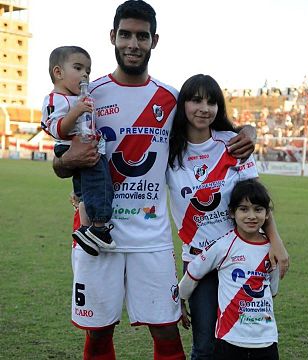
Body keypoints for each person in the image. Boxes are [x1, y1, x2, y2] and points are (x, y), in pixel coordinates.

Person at [52, 1, 282, 359]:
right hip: (98, 235)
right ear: (112, 37)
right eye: (125, 34)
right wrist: (68, 160)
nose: (133, 43)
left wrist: (248, 130)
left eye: (141, 36)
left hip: (152, 238)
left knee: (166, 330)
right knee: (98, 333)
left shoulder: (171, 99)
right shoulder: (88, 95)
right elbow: (60, 162)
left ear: (154, 41)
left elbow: (216, 127)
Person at [166, 74, 288, 359]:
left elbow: (257, 200)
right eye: (196, 100)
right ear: (183, 104)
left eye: (211, 102)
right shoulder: (169, 150)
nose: (204, 108)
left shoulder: (233, 144)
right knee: (205, 346)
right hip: (199, 260)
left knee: (242, 342)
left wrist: (276, 243)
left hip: (241, 257)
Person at [179, 179, 280, 360]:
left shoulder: (271, 249)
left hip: (266, 338)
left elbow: (273, 288)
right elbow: (194, 270)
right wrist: (181, 298)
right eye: (244, 209)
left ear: (267, 214)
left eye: (258, 209)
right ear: (232, 213)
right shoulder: (223, 246)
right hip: (229, 339)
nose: (251, 216)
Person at [41, 46, 115, 256]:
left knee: (85, 192)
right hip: (74, 147)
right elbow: (56, 128)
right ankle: (99, 228)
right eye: (78, 68)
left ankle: (85, 230)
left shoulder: (80, 98)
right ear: (58, 72)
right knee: (100, 185)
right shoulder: (56, 99)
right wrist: (76, 111)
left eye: (88, 70)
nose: (85, 74)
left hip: (85, 143)